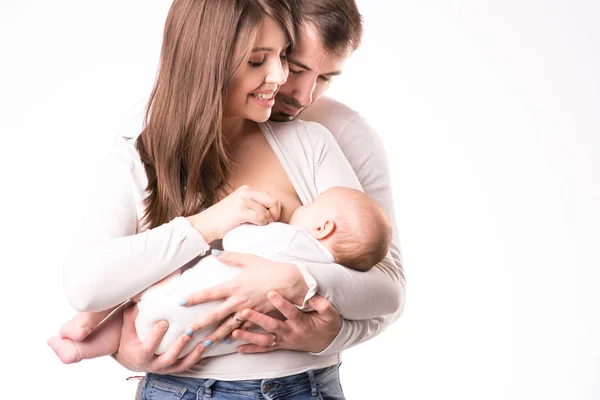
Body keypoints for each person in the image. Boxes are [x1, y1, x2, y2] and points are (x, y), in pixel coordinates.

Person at [59, 0, 403, 398]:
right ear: (208, 62)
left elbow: (386, 288)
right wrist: (209, 223)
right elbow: (87, 285)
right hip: (179, 389)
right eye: (260, 60)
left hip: (302, 388)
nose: (280, 76)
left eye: (282, 56)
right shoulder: (141, 153)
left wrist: (299, 282)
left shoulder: (314, 141)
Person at [49, 187, 392, 364]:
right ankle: (81, 347)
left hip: (177, 301)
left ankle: (83, 338)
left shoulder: (292, 237)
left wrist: (242, 222)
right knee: (160, 318)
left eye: (313, 202)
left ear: (323, 226)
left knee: (148, 293)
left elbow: (236, 240)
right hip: (205, 345)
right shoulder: (332, 277)